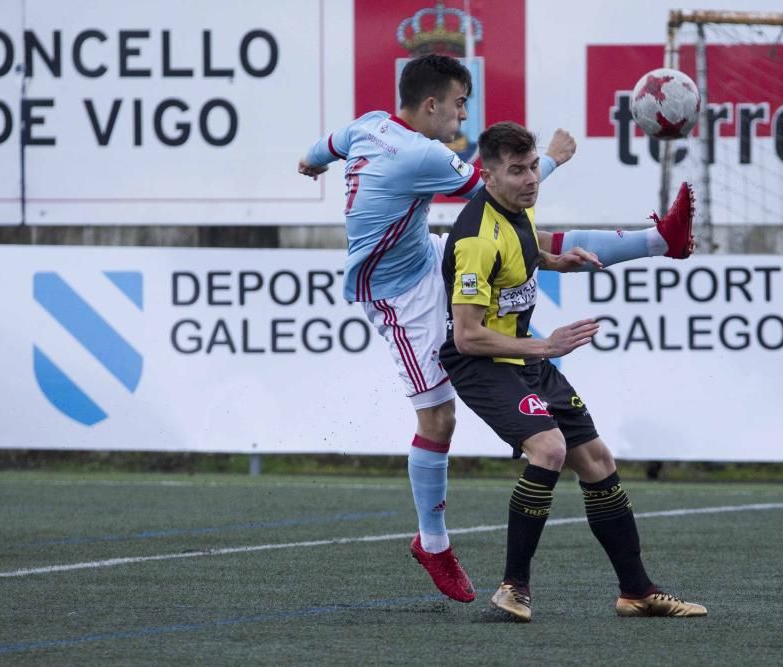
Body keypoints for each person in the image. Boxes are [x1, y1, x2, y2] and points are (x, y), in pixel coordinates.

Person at [297, 54, 695, 604]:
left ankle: (659, 242)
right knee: (438, 417)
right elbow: (494, 188)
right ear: (431, 105)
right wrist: (551, 159)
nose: (463, 118)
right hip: (396, 294)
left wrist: (309, 162)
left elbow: (330, 144)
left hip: (425, 255)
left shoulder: (371, 124)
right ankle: (432, 542)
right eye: (459, 105)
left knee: (534, 243)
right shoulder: (420, 152)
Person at [440, 121, 706, 622]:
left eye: (534, 167)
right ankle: (512, 587)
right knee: (550, 448)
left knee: (598, 460)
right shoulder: (475, 238)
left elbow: (521, 247)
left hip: (526, 358)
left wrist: (555, 261)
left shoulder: (517, 205)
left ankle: (637, 591)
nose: (531, 179)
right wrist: (547, 344)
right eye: (517, 171)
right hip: (482, 363)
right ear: (489, 176)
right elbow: (466, 336)